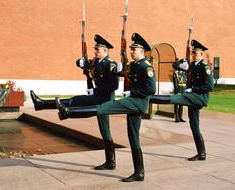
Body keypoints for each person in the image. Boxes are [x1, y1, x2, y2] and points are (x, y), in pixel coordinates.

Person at [56, 33, 156, 182]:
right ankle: (139, 172)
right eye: (131, 49)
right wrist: (119, 70)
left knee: (106, 106)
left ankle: (69, 112)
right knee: (133, 137)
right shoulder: (134, 65)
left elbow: (151, 89)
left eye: (133, 50)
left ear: (141, 51)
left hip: (137, 102)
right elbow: (120, 74)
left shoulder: (146, 67)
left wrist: (132, 92)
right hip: (132, 101)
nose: (131, 52)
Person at [30, 34, 121, 170]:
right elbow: (83, 64)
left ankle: (43, 105)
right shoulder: (96, 62)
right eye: (95, 49)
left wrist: (94, 91)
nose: (95, 51)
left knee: (80, 103)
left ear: (105, 51)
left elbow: (114, 86)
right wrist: (80, 62)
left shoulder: (111, 64)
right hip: (97, 97)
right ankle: (42, 104)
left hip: (105, 100)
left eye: (98, 50)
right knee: (103, 129)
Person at [150, 40, 214, 161]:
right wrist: (181, 65)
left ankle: (148, 98)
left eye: (196, 53)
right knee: (194, 126)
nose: (193, 55)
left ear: (201, 54)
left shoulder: (204, 67)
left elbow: (210, 86)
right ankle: (202, 153)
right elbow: (175, 66)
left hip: (199, 97)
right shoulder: (193, 65)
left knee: (175, 98)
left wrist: (193, 89)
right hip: (193, 98)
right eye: (193, 53)